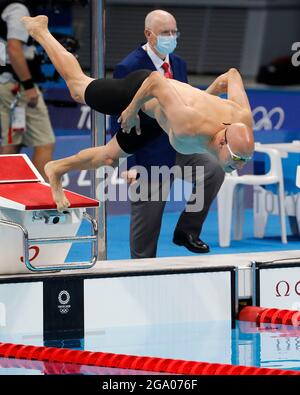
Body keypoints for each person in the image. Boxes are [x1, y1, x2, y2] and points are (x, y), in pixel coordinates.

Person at [21, 15, 254, 215]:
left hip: (160, 116)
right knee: (77, 87)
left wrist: (204, 96)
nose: (240, 166)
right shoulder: (188, 124)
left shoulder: (242, 118)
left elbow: (231, 75)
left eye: (244, 160)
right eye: (237, 159)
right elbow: (155, 81)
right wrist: (131, 111)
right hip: (142, 90)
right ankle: (40, 30)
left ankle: (56, 169)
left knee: (109, 159)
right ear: (222, 141)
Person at [111, 9, 225, 257]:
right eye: (165, 33)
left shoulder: (179, 64)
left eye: (174, 32)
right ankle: (141, 270)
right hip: (148, 154)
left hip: (180, 147)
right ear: (148, 34)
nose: (171, 37)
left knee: (213, 169)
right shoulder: (128, 67)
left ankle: (187, 231)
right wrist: (128, 162)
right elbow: (119, 116)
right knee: (147, 224)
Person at [0, 1, 55, 180]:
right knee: (44, 142)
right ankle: (42, 196)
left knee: (12, 145)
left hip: (11, 86)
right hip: (16, 87)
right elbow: (14, 49)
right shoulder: (18, 9)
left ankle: (9, 198)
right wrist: (29, 86)